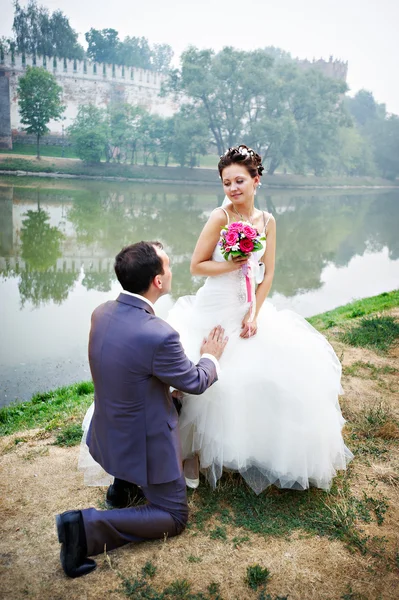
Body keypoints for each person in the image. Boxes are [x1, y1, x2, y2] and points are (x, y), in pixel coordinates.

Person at [168, 144, 353, 494]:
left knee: (278, 371)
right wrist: (232, 264)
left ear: (256, 181)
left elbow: (267, 274)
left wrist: (254, 313)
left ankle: (253, 448)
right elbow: (196, 266)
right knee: (206, 377)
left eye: (239, 180)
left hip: (248, 309)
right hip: (214, 307)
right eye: (226, 183)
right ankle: (190, 452)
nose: (233, 189)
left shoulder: (268, 221)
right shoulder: (219, 218)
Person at [56, 241, 228, 578]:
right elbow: (194, 380)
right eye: (167, 264)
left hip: (109, 432)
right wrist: (211, 356)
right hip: (144, 442)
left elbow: (130, 368)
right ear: (158, 281)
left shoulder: (102, 311)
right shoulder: (158, 334)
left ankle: (122, 486)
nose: (171, 268)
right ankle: (83, 528)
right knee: (174, 517)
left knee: (168, 400)